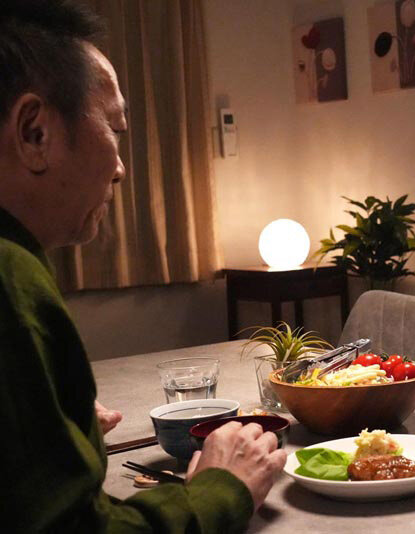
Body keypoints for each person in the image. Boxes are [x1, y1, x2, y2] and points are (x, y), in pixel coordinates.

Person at [0, 1, 286, 531]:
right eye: (114, 130)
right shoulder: (8, 279)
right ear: (34, 132)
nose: (120, 168)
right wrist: (221, 488)